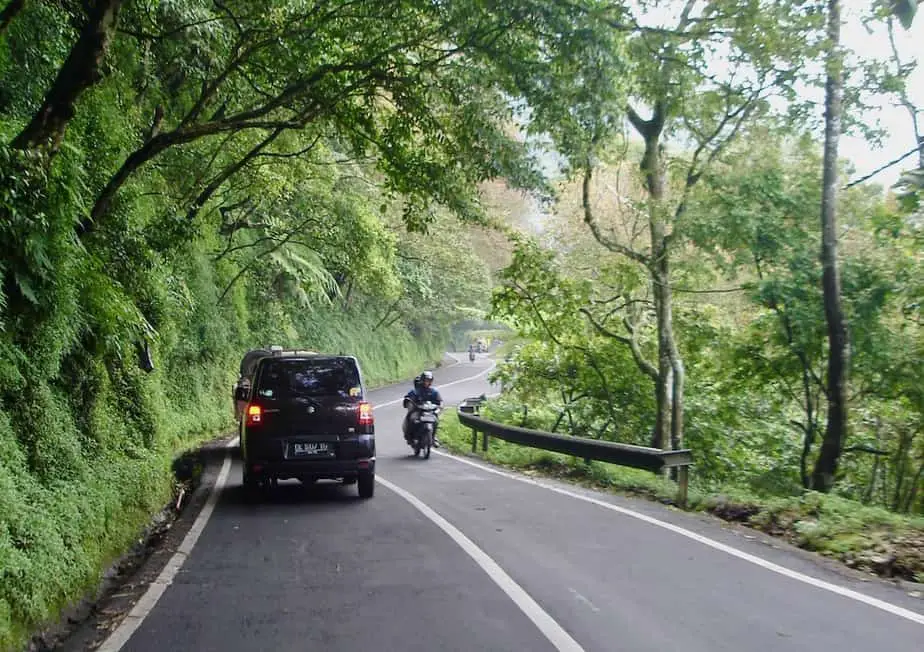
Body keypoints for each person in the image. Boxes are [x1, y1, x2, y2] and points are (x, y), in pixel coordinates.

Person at [402, 370, 443, 447]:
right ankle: (410, 437)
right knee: (412, 419)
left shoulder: (434, 391)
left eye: (429, 380)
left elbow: (439, 401)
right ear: (423, 380)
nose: (428, 382)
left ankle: (434, 437)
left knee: (436, 421)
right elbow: (408, 398)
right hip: (418, 411)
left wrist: (439, 407)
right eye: (426, 380)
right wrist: (409, 402)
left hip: (429, 411)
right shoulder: (415, 391)